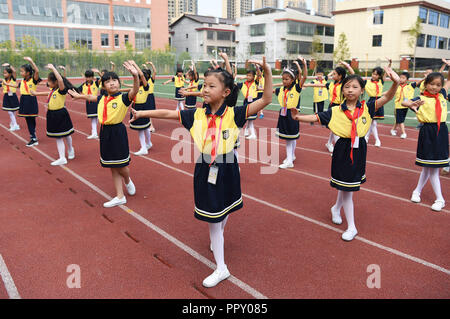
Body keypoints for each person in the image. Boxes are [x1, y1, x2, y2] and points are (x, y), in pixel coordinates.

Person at [129, 57, 273, 288]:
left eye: (211, 86)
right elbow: (167, 114)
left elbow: (266, 98)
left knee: (223, 212)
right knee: (213, 221)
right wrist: (143, 115)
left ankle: (218, 243)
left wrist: (266, 72)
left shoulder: (235, 114)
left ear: (226, 92)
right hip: (206, 168)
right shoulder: (195, 115)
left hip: (228, 167)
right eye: (204, 85)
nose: (205, 89)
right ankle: (222, 267)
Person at [293, 67, 400, 241]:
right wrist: (298, 118)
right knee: (347, 188)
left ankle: (336, 208)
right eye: (347, 86)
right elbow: (316, 116)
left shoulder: (368, 107)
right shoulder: (336, 111)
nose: (350, 90)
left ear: (362, 90)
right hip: (342, 149)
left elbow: (387, 97)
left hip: (359, 150)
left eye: (355, 87)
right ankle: (352, 227)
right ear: (342, 90)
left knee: (347, 186)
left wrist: (395, 82)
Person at [68, 61, 140, 208]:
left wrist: (135, 76)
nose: (112, 83)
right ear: (103, 86)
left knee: (122, 164)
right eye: (108, 82)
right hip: (105, 132)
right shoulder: (101, 98)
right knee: (112, 165)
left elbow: (135, 90)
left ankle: (127, 179)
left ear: (119, 83)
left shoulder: (124, 98)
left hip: (118, 132)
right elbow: (90, 98)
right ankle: (120, 196)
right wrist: (78, 96)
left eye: (114, 80)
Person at [403, 72, 449, 212]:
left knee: (429, 167)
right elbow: (404, 101)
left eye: (438, 85)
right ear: (426, 84)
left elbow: (448, 81)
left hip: (441, 132)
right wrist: (411, 104)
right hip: (428, 132)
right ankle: (440, 199)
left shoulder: (442, 95)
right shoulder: (421, 98)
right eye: (432, 84)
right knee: (432, 168)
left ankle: (417, 191)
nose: (435, 87)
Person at [303, 61, 354, 152]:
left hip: (342, 107)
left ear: (340, 76)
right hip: (333, 107)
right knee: (334, 127)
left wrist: (347, 65)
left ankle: (330, 143)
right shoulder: (330, 84)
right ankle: (336, 147)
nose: (332, 75)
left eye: (334, 74)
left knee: (337, 127)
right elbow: (319, 84)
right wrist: (307, 85)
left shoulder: (344, 84)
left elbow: (353, 75)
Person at [31, 64, 75, 166]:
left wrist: (53, 69)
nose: (47, 82)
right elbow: (47, 93)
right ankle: (62, 157)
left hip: (60, 114)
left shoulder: (61, 90)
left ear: (55, 82)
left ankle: (70, 149)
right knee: (58, 137)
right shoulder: (52, 90)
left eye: (49, 81)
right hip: (52, 115)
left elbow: (60, 80)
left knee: (66, 134)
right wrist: (36, 94)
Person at [364, 58, 391, 147]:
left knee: (373, 122)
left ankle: (370, 138)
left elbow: (386, 72)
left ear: (379, 76)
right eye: (373, 74)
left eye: (376, 74)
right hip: (371, 101)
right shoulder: (367, 82)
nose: (374, 76)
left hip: (379, 101)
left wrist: (390, 63)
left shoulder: (381, 81)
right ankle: (373, 139)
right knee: (371, 122)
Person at [17, 57, 42, 147]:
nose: (21, 73)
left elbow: (37, 71)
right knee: (28, 119)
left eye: (22, 71)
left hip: (31, 100)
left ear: (28, 73)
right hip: (24, 100)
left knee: (31, 119)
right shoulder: (22, 81)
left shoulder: (33, 80)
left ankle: (33, 138)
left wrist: (31, 61)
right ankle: (33, 135)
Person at [390, 72, 417, 139]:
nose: (401, 79)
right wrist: (381, 94)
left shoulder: (410, 86)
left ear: (407, 79)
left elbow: (418, 83)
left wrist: (426, 78)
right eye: (400, 77)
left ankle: (393, 129)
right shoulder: (396, 86)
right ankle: (403, 133)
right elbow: (390, 92)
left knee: (398, 119)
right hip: (398, 106)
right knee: (401, 120)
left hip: (405, 106)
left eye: (403, 78)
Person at [236, 68, 258, 139]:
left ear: (254, 77)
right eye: (247, 75)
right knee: (248, 117)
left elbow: (260, 75)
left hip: (253, 102)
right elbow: (234, 84)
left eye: (250, 76)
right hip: (246, 101)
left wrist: (257, 67)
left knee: (250, 119)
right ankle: (246, 131)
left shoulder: (256, 82)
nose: (248, 77)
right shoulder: (243, 84)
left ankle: (253, 134)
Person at [77, 70, 100, 139]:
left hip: (96, 102)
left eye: (90, 77)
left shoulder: (95, 83)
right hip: (89, 103)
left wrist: (98, 73)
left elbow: (103, 78)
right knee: (93, 118)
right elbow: (78, 90)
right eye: (87, 77)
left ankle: (95, 133)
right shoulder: (83, 85)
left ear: (93, 77)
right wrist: (83, 96)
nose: (88, 79)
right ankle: (94, 133)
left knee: (98, 118)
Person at [1, 63, 20, 131]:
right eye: (4, 73)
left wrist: (9, 65)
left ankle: (13, 124)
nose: (4, 74)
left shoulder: (13, 78)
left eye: (5, 73)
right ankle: (15, 125)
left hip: (13, 96)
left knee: (14, 110)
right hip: (7, 96)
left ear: (9, 74)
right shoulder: (3, 80)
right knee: (9, 111)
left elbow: (14, 71)